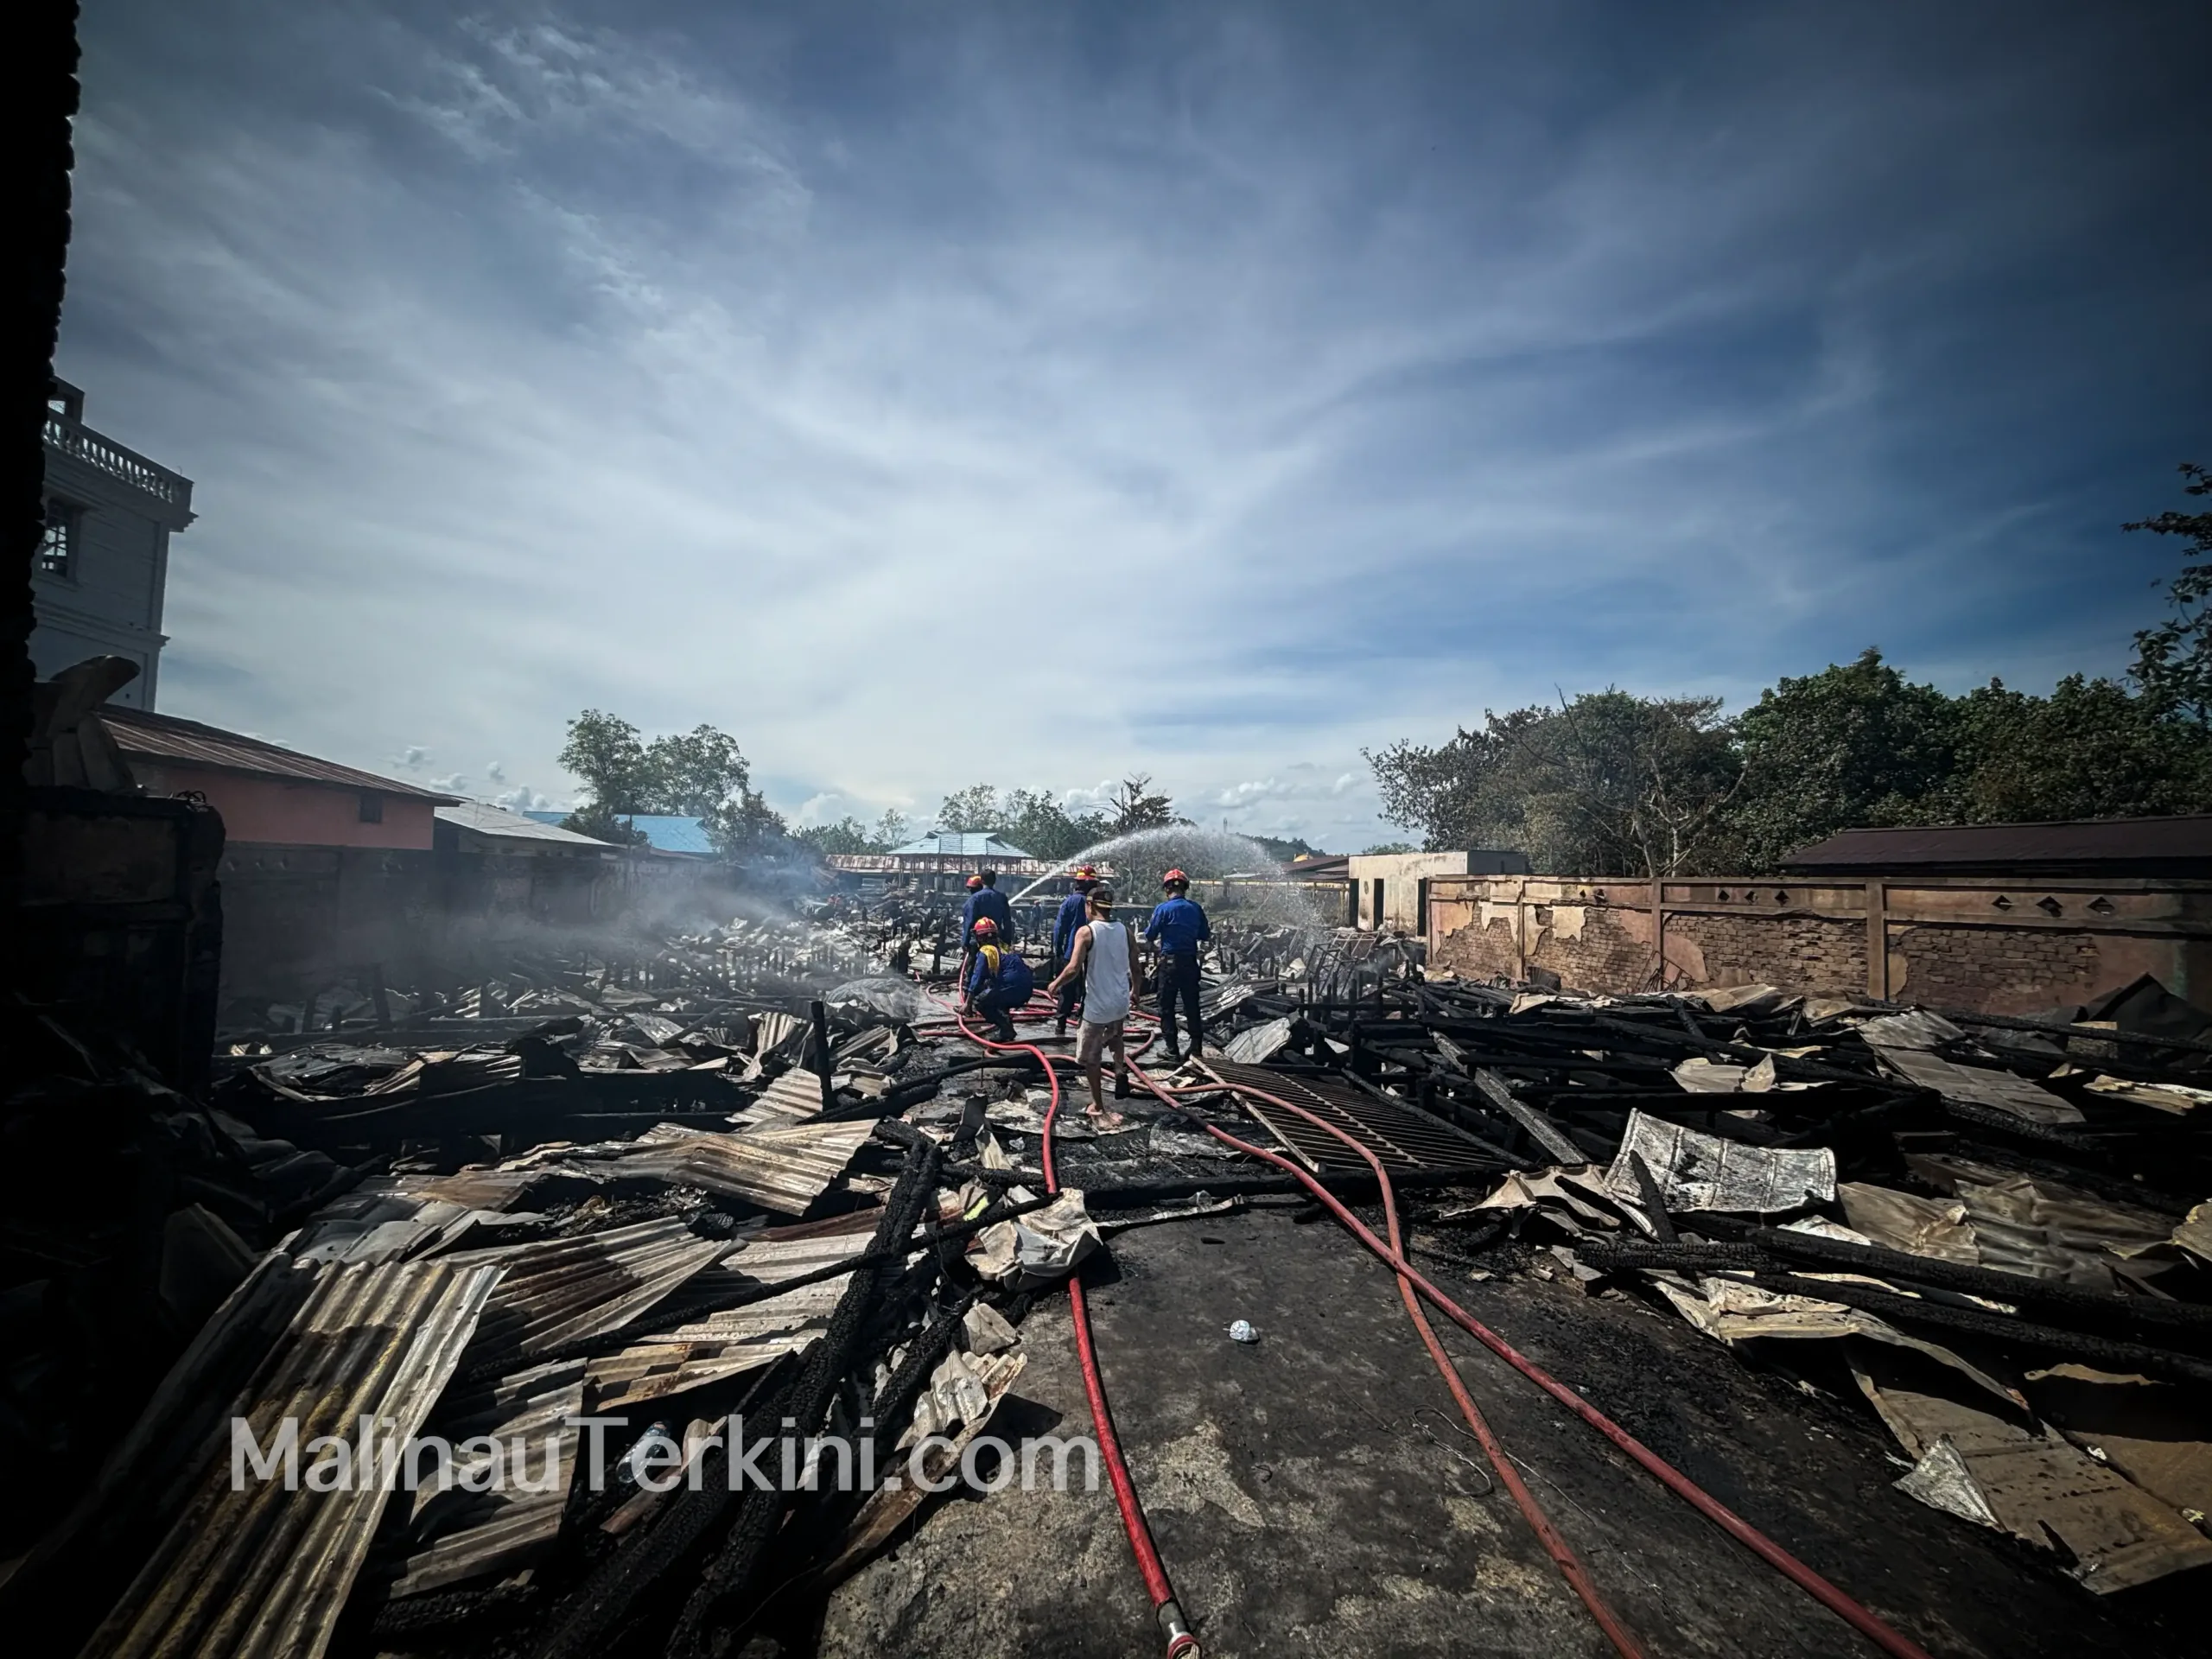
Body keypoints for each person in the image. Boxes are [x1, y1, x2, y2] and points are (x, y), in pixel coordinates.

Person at [1046, 886, 1133, 1125]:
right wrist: (1135, 991)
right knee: (1116, 1035)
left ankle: (1098, 1105)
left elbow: (1074, 969)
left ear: (1090, 906)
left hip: (1097, 1006)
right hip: (1120, 1001)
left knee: (1091, 1058)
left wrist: (1055, 983)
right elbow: (1136, 966)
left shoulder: (1086, 933)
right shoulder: (1125, 931)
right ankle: (1118, 1069)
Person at [1143, 868, 1211, 1060]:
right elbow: (1205, 934)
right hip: (1190, 963)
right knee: (1191, 1005)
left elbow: (1150, 935)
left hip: (1170, 964)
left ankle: (1172, 1050)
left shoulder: (1163, 910)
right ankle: (1196, 1047)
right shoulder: (1195, 908)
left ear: (1167, 889)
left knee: (1166, 1005)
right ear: (1185, 888)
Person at [963, 917, 1033, 1043]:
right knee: (995, 991)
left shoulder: (986, 952)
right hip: (1027, 989)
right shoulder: (1004, 948)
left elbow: (976, 977)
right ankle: (1005, 1025)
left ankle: (1006, 1030)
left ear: (980, 938)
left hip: (1012, 987)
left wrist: (968, 1003)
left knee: (980, 1001)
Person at [1050, 865, 1101, 1035]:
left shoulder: (1069, 902)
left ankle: (1061, 1024)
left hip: (1071, 952)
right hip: (1094, 952)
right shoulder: (1097, 903)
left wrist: (1057, 949)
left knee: (1067, 988)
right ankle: (1085, 1023)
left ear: (1077, 883)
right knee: (1091, 988)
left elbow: (1059, 928)